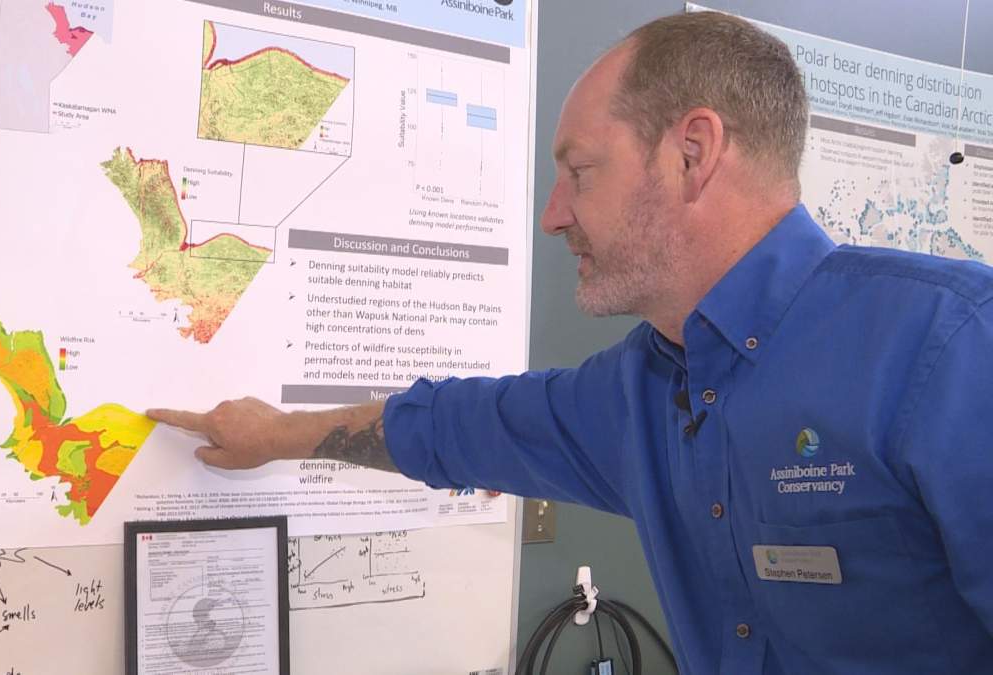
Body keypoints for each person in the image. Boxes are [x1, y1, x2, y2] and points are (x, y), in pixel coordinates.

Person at [148, 11, 993, 674]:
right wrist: (274, 434)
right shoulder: (640, 390)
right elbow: (457, 425)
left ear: (692, 153)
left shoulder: (950, 348)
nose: (555, 213)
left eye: (580, 171)